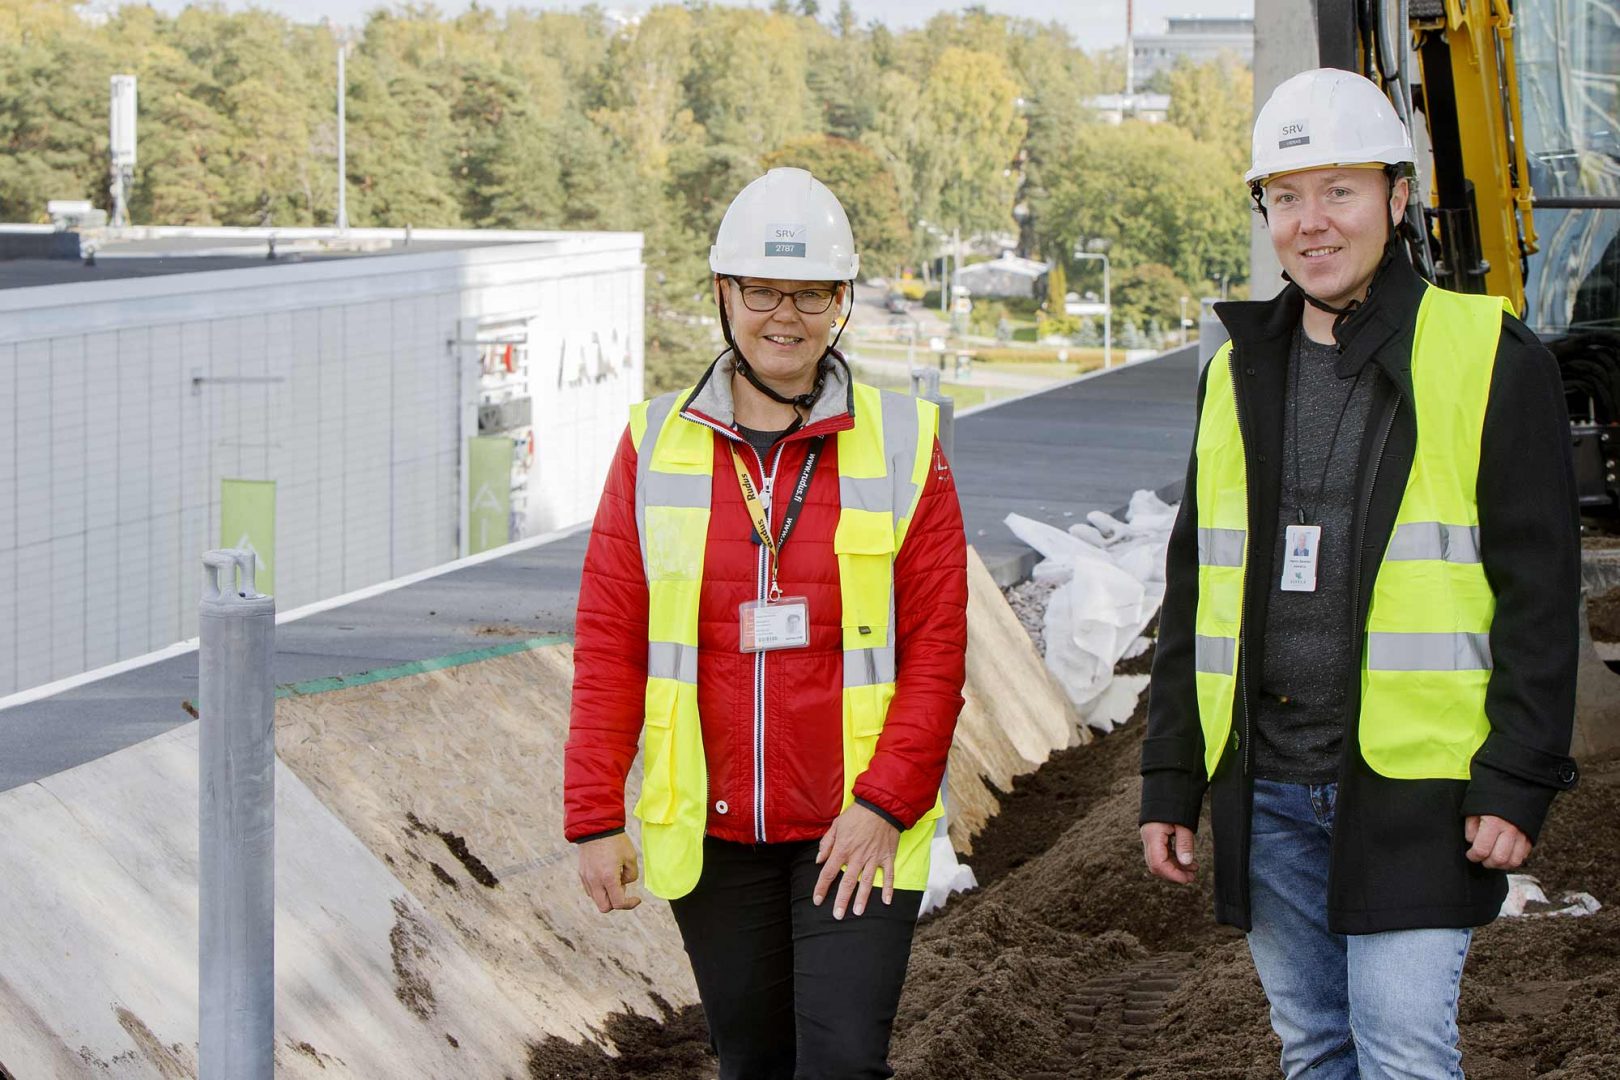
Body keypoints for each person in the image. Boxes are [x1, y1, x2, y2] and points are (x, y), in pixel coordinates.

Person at [1140, 68, 1580, 1079]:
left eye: (1338, 191)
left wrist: (1516, 779)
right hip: (1269, 783)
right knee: (1315, 1048)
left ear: (1396, 196)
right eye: (1286, 197)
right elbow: (1194, 590)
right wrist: (1171, 777)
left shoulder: (1488, 358)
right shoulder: (1236, 371)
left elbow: (1538, 592)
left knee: (1405, 1048)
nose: (1311, 223)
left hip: (1416, 790)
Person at [564, 166, 967, 1080]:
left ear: (842, 302)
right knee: (753, 1062)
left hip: (854, 827)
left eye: (812, 292)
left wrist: (882, 807)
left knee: (842, 1062)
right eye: (761, 290)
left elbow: (939, 651)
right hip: (713, 837)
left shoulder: (906, 444)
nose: (784, 315)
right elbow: (611, 642)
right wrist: (594, 814)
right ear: (723, 294)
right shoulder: (654, 444)